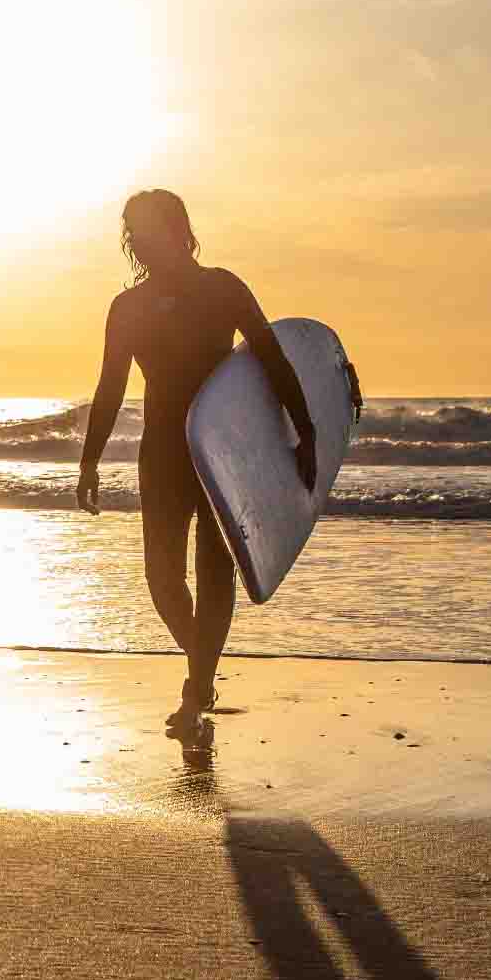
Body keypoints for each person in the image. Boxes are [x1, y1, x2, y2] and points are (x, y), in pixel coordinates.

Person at [77, 189, 315, 724]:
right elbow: (111, 384)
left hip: (223, 451)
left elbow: (272, 360)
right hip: (162, 450)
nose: (138, 238)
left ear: (177, 228)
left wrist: (307, 432)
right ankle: (201, 664)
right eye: (132, 230)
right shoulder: (129, 306)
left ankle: (197, 686)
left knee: (214, 571)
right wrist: (90, 460)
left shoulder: (222, 288)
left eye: (147, 227)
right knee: (161, 577)